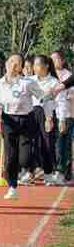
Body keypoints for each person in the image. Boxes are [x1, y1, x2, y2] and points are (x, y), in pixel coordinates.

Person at [0, 53, 56, 200]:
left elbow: (43, 99)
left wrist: (48, 117)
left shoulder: (27, 83)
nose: (14, 65)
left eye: (18, 62)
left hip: (26, 120)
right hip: (8, 120)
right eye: (12, 61)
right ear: (6, 64)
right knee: (10, 158)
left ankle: (30, 168)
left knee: (24, 158)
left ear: (21, 67)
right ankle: (12, 187)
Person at [22, 55, 61, 186]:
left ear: (46, 66)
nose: (34, 68)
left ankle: (48, 173)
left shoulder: (54, 82)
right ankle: (29, 172)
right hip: (29, 114)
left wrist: (49, 118)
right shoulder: (29, 80)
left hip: (45, 114)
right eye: (33, 65)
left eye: (37, 65)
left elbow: (52, 102)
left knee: (46, 144)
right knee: (30, 144)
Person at [51, 51, 73, 184]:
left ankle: (65, 172)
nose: (54, 62)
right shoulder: (51, 76)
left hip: (68, 114)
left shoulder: (68, 75)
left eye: (56, 59)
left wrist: (63, 95)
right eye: (51, 59)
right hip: (52, 114)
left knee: (64, 143)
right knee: (55, 142)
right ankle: (55, 170)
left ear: (62, 60)